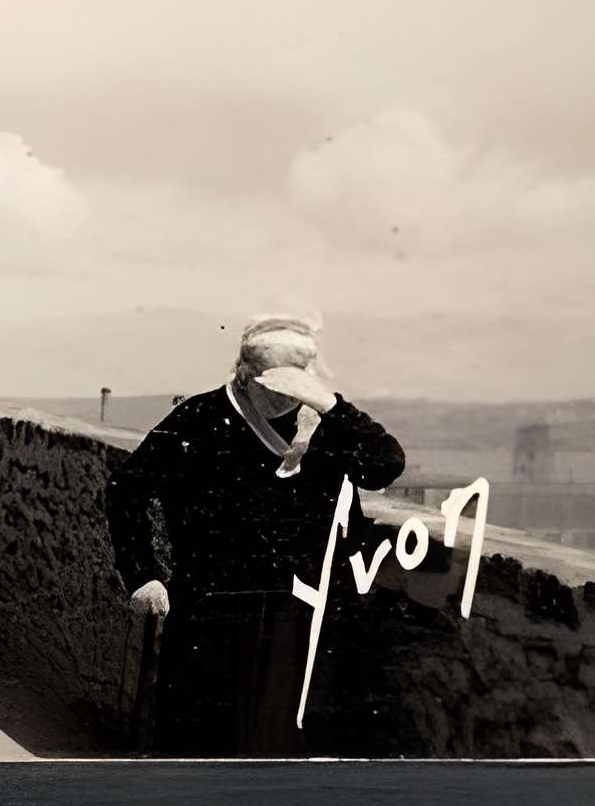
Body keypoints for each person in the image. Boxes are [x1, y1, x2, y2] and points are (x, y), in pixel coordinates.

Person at [102, 316, 405, 755]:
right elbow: (126, 490)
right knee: (197, 747)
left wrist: (332, 406)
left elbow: (385, 466)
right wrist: (143, 574)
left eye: (295, 379)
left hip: (300, 615)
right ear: (244, 371)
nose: (283, 392)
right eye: (272, 378)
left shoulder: (327, 426)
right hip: (211, 611)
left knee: (286, 749)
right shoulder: (198, 418)